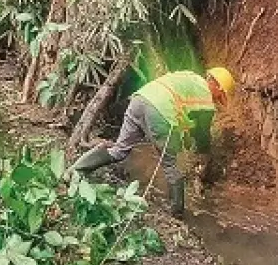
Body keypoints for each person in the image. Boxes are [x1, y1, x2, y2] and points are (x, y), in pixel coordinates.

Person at [70, 67, 236, 217]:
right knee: (171, 165)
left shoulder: (190, 78)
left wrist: (184, 135)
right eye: (220, 96)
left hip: (140, 99)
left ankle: (76, 169)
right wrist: (204, 155)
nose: (217, 100)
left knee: (119, 150)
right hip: (159, 111)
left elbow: (185, 113)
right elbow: (202, 133)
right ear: (218, 87)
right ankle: (177, 215)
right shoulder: (206, 99)